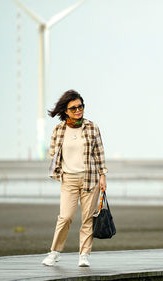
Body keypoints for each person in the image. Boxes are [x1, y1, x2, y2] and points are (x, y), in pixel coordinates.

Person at [41, 90, 108, 267]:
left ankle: (84, 255)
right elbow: (53, 153)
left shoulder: (92, 127)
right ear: (65, 111)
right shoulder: (59, 130)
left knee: (87, 218)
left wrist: (103, 176)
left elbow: (99, 153)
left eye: (80, 106)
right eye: (73, 108)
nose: (78, 110)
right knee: (65, 217)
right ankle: (54, 252)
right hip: (69, 179)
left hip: (90, 178)